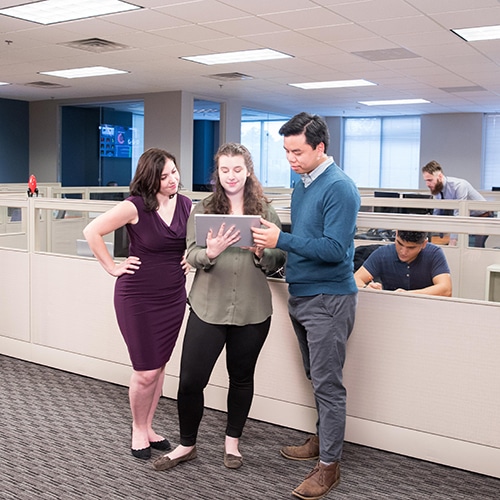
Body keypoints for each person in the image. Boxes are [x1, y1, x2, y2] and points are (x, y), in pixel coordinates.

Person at [152, 143, 286, 472]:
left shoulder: (266, 211)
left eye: (237, 169)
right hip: (207, 307)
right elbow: (191, 255)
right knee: (190, 382)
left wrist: (261, 253)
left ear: (248, 171)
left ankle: (232, 444)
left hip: (252, 311)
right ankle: (187, 445)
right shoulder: (204, 208)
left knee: (241, 378)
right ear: (218, 173)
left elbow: (280, 257)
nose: (231, 176)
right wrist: (209, 252)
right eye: (224, 170)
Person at [252, 112, 360, 500]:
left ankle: (329, 467)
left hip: (329, 297)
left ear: (320, 147)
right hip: (302, 294)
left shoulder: (340, 188)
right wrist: (274, 244)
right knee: (316, 375)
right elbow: (304, 237)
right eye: (286, 151)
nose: (291, 159)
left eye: (297, 151)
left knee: (329, 384)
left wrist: (284, 238)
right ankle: (322, 439)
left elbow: (334, 250)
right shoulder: (303, 182)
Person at [83, 148, 192, 460]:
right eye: (164, 176)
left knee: (159, 368)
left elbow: (192, 243)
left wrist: (188, 257)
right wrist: (111, 266)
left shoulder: (185, 204)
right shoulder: (134, 207)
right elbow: (92, 231)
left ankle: (149, 426)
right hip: (138, 296)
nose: (173, 179)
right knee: (145, 370)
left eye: (174, 172)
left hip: (172, 296)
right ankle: (137, 428)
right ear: (150, 178)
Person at [354, 230, 452, 296]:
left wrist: (407, 295)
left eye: (411, 248)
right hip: (392, 312)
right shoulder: (382, 254)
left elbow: (446, 289)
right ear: (396, 234)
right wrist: (367, 288)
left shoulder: (434, 254)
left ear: (424, 244)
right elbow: (355, 279)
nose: (403, 252)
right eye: (400, 244)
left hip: (425, 312)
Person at [422, 160, 493, 247]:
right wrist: (437, 231)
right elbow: (437, 211)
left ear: (440, 176)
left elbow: (459, 213)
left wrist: (452, 241)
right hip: (469, 218)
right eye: (426, 180)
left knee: (475, 250)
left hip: (483, 217)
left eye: (430, 180)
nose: (427, 184)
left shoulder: (459, 186)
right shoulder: (437, 188)